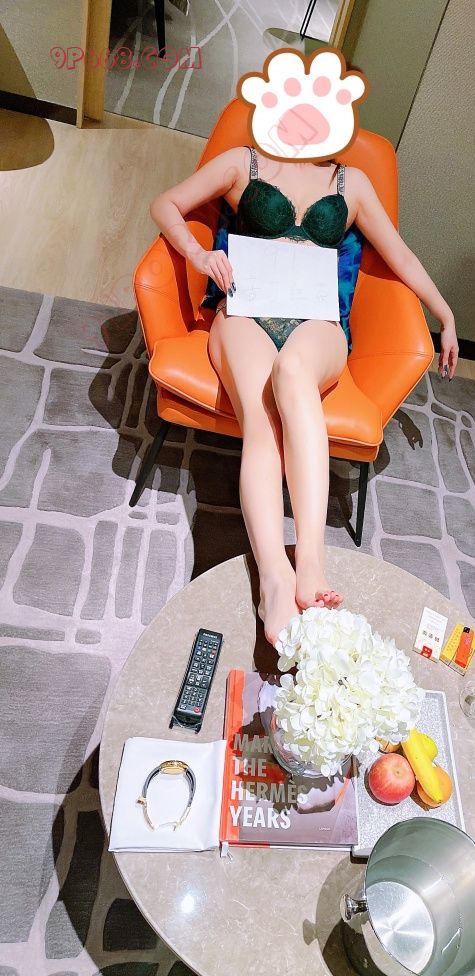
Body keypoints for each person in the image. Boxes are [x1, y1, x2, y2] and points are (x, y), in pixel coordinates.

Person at [149, 143, 459, 648]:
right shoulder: (243, 162)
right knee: (262, 419)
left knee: (293, 373)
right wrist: (200, 254)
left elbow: (399, 254)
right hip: (244, 311)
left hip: (317, 323)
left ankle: (311, 561)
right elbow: (165, 204)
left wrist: (444, 315)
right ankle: (274, 580)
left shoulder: (351, 182)